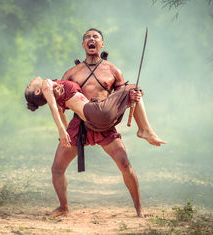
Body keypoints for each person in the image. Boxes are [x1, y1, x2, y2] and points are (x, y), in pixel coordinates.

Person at [43, 28, 165, 218]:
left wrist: (133, 96)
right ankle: (63, 207)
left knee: (125, 165)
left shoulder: (113, 70)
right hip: (79, 124)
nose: (91, 39)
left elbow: (120, 98)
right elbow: (61, 105)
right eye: (87, 38)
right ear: (83, 45)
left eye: (95, 37)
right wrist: (64, 130)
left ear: (102, 44)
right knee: (57, 169)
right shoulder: (71, 72)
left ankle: (139, 208)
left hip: (104, 124)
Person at [25, 77, 165, 146]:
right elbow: (53, 108)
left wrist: (67, 131)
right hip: (95, 113)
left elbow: (60, 113)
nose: (31, 80)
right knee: (132, 87)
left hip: (96, 120)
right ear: (38, 91)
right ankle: (144, 129)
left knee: (133, 92)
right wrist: (62, 131)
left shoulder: (55, 91)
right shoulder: (46, 84)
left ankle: (144, 129)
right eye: (29, 85)